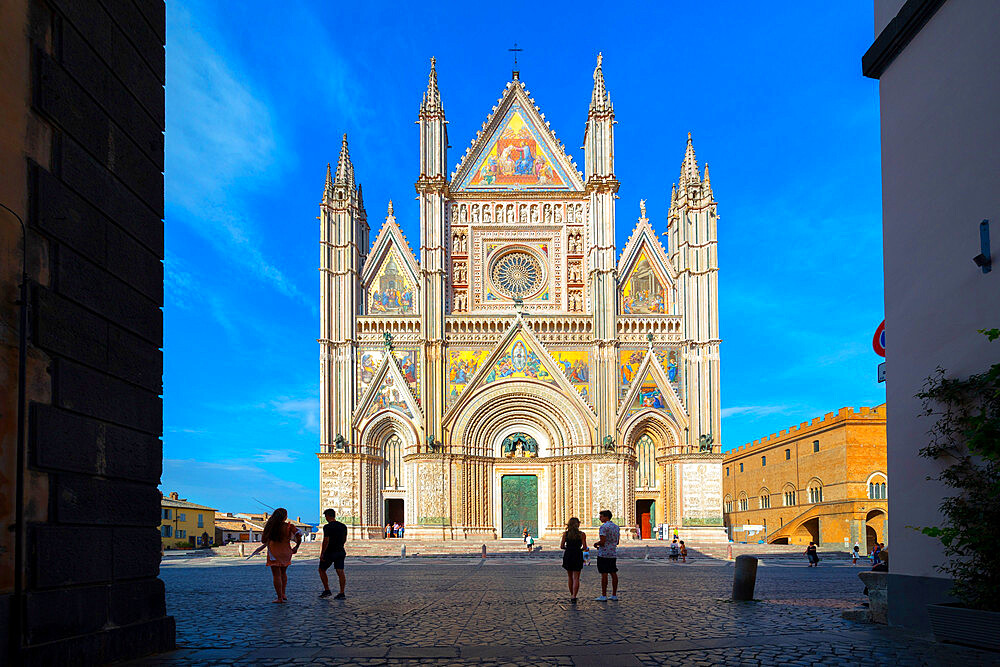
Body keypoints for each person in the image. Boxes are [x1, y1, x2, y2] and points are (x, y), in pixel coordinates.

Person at [261, 508, 302, 603]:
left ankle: (279, 597)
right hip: (286, 552)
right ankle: (283, 593)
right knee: (283, 573)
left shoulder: (270, 527)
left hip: (274, 552)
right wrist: (296, 547)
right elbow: (299, 536)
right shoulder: (289, 526)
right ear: (285, 517)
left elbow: (263, 540)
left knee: (276, 575)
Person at [319, 508, 348, 599]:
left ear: (327, 516)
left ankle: (327, 590)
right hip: (340, 551)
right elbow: (344, 539)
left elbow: (326, 540)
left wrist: (322, 553)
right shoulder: (343, 526)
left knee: (321, 570)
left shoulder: (327, 527)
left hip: (330, 552)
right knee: (340, 572)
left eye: (325, 516)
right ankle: (342, 592)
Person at [594, 510, 620, 601]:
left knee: (604, 574)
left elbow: (602, 541)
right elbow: (617, 541)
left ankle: (604, 595)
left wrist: (596, 544)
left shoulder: (603, 527)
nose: (600, 518)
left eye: (601, 516)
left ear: (606, 517)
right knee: (613, 573)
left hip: (604, 554)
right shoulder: (616, 527)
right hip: (612, 553)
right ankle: (614, 594)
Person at [560, 517, 587, 603]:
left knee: (570, 577)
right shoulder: (582, 534)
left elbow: (562, 546)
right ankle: (574, 595)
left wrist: (568, 548)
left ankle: (571, 594)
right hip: (577, 554)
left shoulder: (565, 534)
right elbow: (585, 547)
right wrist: (580, 550)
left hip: (568, 554)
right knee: (576, 577)